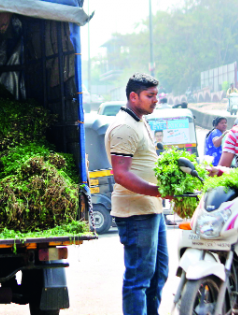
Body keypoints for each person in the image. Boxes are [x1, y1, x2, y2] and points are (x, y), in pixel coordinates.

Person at [105, 73, 169, 315]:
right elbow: (121, 174)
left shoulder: (139, 121)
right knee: (138, 279)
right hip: (136, 213)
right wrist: (158, 190)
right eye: (150, 96)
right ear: (133, 97)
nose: (155, 100)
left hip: (151, 208)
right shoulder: (124, 127)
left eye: (156, 95)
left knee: (158, 273)